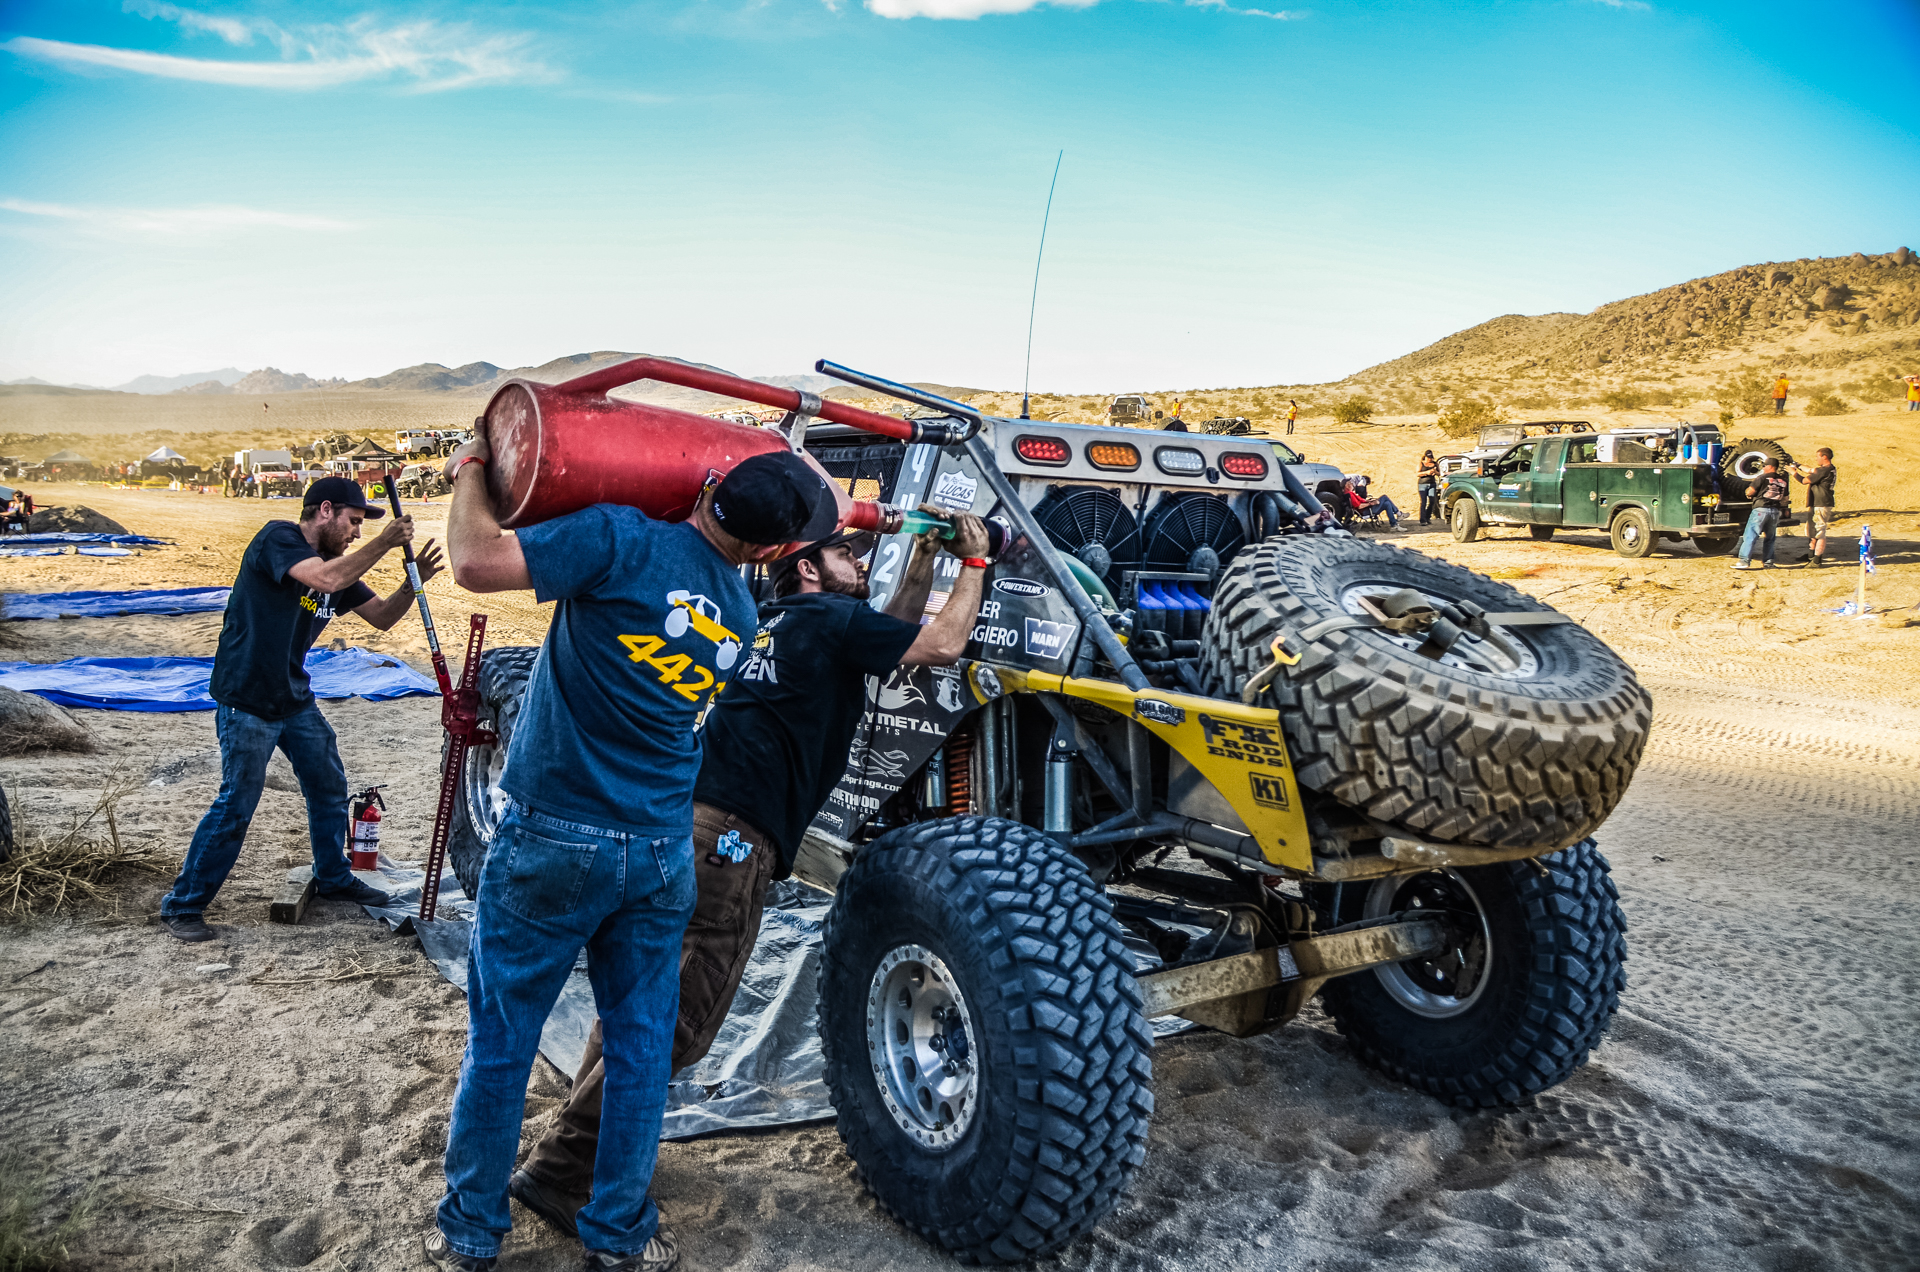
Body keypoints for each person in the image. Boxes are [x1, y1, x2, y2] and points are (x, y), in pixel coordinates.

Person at [506, 506, 992, 1243]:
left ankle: (603, 1152)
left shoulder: (787, 624)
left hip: (684, 821)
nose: (859, 565)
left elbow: (890, 628)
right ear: (806, 567)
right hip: (733, 841)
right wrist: (978, 564)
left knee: (640, 1003)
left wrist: (923, 554)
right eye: (845, 556)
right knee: (680, 1022)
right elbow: (942, 642)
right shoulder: (829, 624)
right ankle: (560, 1171)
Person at [422, 435, 838, 1272]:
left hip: (552, 836)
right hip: (655, 852)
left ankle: (471, 1234)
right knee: (640, 1047)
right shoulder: (744, 612)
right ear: (771, 550)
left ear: (713, 483)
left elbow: (472, 560)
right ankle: (615, 1231)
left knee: (504, 1038)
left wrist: (471, 465)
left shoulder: (617, 538)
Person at [159, 477, 439, 941]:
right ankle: (183, 905)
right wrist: (388, 542)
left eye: (363, 527)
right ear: (324, 510)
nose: (356, 533)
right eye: (352, 522)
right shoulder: (278, 538)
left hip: (293, 697)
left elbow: (385, 617)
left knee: (328, 784)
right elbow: (324, 579)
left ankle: (333, 877)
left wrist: (415, 582)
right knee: (237, 804)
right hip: (248, 699)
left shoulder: (338, 567)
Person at [1733, 458, 1791, 570]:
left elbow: (1750, 491)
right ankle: (1769, 562)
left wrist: (1747, 493)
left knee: (1751, 536)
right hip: (1775, 512)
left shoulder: (1761, 478)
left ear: (1770, 466)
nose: (1763, 468)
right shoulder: (1783, 480)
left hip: (1760, 510)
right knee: (1770, 538)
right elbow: (1785, 498)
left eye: (1764, 466)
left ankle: (1744, 561)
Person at [1794, 447, 1837, 566]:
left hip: (1821, 503)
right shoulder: (1828, 469)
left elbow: (1804, 480)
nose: (1816, 458)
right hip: (1818, 503)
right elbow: (1809, 470)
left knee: (1819, 531)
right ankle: (1810, 555)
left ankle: (1817, 560)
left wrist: (1794, 473)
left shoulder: (1823, 471)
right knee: (1811, 530)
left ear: (1824, 457)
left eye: (1818, 456)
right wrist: (1796, 464)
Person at [1416, 450, 1441, 525]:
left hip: (1432, 484)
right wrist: (1426, 473)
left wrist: (1435, 472)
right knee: (1423, 502)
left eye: (1430, 458)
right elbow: (1417, 473)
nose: (1429, 459)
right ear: (1425, 457)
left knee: (1432, 501)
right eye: (1428, 457)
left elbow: (1439, 473)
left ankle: (1427, 517)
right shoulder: (1421, 463)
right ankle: (1422, 520)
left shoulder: (1435, 463)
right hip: (1422, 484)